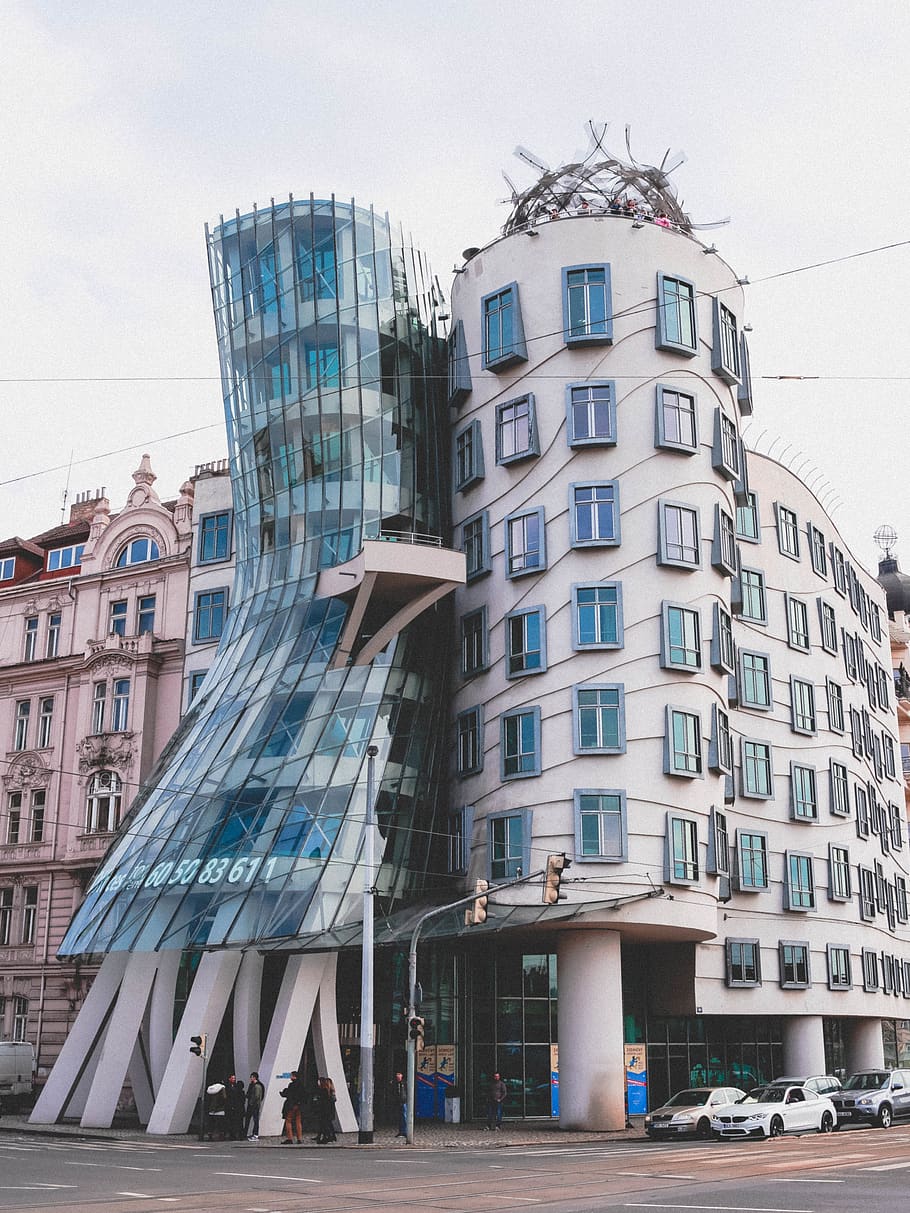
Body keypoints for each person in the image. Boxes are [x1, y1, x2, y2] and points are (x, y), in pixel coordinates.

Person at [280, 1070, 304, 1144]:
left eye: (291, 1076)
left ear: (294, 1076)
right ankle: (299, 1139)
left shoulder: (292, 1085)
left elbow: (288, 1094)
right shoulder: (301, 1085)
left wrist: (283, 1093)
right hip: (299, 1105)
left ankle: (290, 1138)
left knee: (288, 1121)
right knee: (298, 1121)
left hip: (291, 1105)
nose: (290, 1077)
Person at [315, 1076, 337, 1143]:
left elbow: (323, 1101)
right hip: (328, 1110)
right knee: (326, 1124)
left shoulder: (324, 1091)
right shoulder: (329, 1091)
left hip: (324, 1110)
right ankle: (328, 1137)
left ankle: (327, 1137)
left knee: (325, 1124)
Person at [245, 1071, 265, 1140]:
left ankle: (255, 1134)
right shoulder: (254, 1085)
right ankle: (248, 1133)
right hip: (253, 1105)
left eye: (251, 1077)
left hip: (254, 1105)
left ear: (254, 1077)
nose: (250, 1078)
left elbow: (257, 1096)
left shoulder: (257, 1086)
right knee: (252, 1119)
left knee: (255, 1120)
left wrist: (251, 1102)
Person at [225, 1075, 245, 1140]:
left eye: (234, 1078)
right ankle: (239, 1135)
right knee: (239, 1122)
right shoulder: (241, 1092)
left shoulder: (236, 1092)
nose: (234, 1079)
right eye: (233, 1078)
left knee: (234, 1122)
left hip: (235, 1109)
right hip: (239, 1109)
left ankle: (234, 1135)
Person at [393, 1070, 407, 1137]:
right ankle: (401, 1131)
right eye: (397, 1075)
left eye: (399, 1074)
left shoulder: (404, 1083)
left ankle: (405, 1131)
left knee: (404, 1117)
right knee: (400, 1117)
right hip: (398, 1102)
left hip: (403, 1101)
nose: (398, 1076)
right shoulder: (396, 1084)